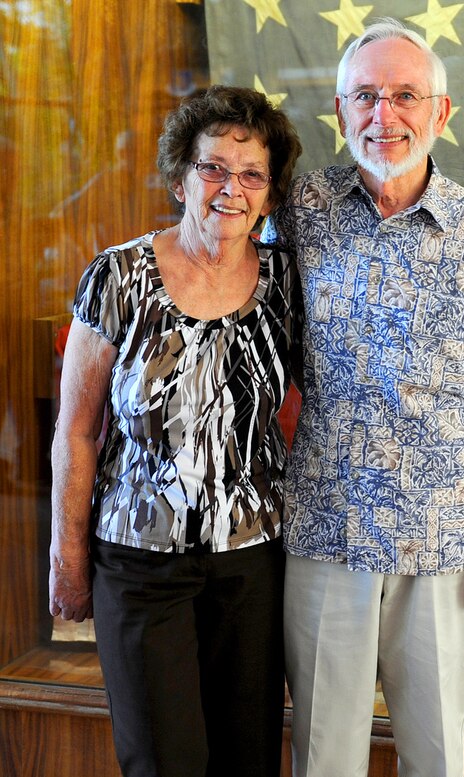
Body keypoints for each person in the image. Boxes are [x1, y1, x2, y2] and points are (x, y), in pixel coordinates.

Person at [262, 17, 464, 777]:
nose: (383, 116)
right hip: (327, 526)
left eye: (404, 95)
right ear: (339, 111)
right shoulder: (296, 214)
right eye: (365, 96)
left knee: (435, 754)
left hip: (445, 537)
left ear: (441, 112)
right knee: (323, 755)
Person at [48, 85, 302, 777]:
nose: (231, 188)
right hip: (137, 563)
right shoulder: (119, 274)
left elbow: (335, 393)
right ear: (182, 176)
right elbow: (76, 429)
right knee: (165, 762)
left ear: (270, 194)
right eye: (213, 167)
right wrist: (68, 560)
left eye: (251, 174)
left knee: (246, 758)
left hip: (253, 562)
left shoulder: (286, 280)